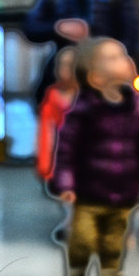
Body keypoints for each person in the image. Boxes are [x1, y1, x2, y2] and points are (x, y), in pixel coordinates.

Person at [51, 37, 139, 276]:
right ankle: (76, 275)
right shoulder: (83, 111)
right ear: (95, 76)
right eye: (114, 57)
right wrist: (65, 183)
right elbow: (66, 149)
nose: (125, 60)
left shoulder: (137, 109)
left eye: (124, 53)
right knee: (83, 241)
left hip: (123, 194)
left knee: (113, 246)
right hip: (88, 193)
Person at [23, 0, 139, 105]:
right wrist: (57, 27)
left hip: (106, 79)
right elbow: (30, 27)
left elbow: (132, 35)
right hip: (65, 76)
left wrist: (112, 59)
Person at [36, 45, 78, 244]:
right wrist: (45, 164)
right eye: (61, 65)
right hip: (63, 157)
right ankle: (70, 223)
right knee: (67, 193)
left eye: (69, 65)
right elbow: (47, 131)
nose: (64, 70)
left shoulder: (91, 96)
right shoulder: (52, 96)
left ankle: (71, 225)